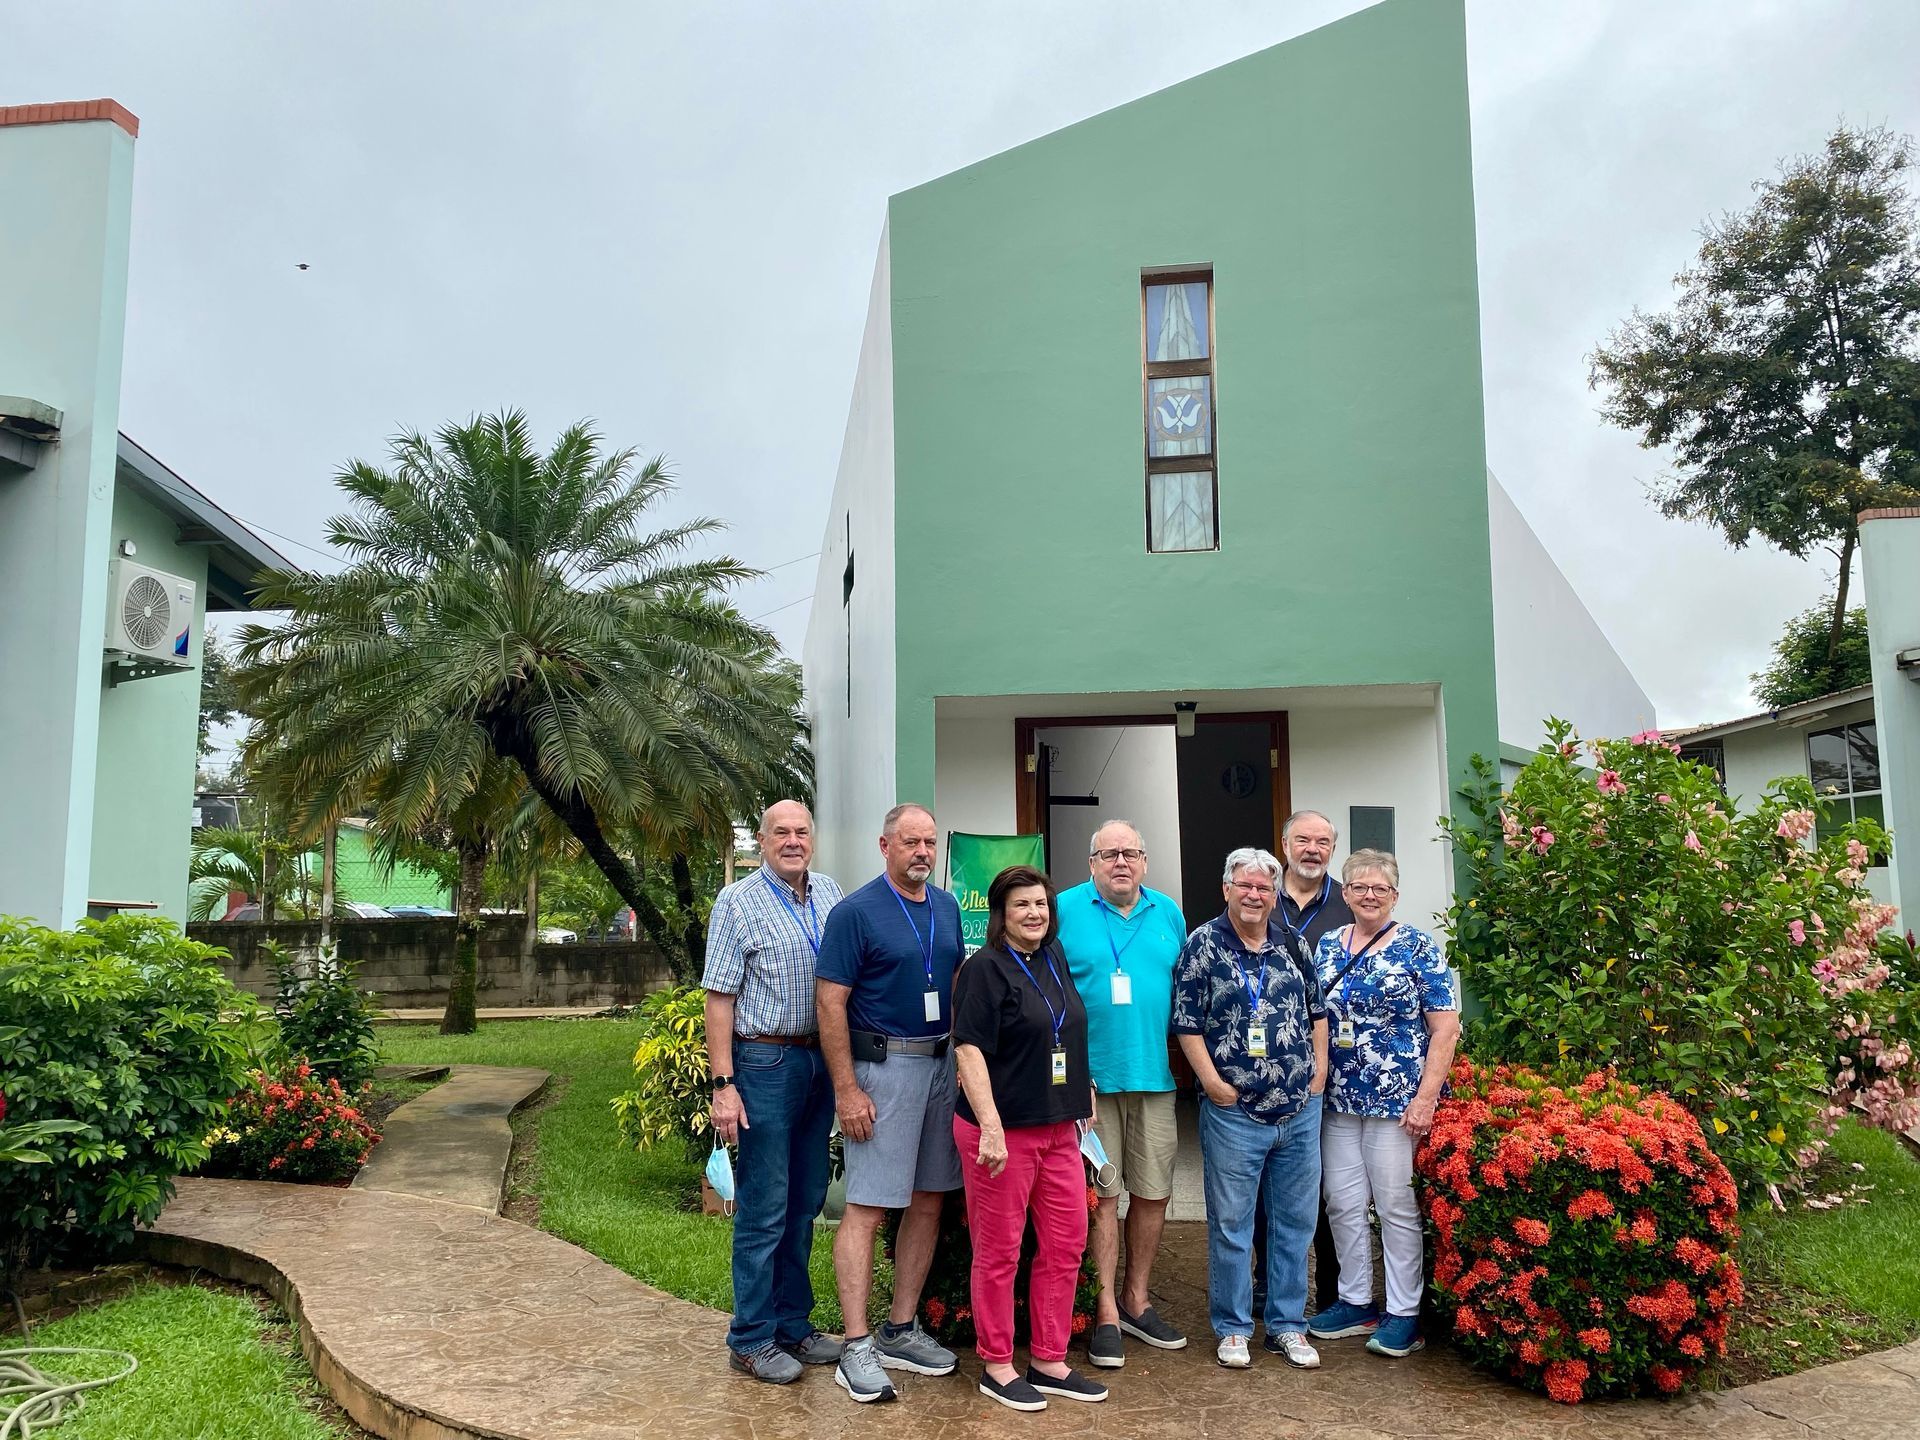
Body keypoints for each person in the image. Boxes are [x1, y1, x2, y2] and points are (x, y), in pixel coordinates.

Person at [816, 803, 967, 1403]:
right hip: (883, 1070)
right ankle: (856, 1345)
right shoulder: (856, 912)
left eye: (930, 842)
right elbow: (830, 1004)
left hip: (940, 1064)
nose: (922, 852)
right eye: (910, 842)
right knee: (869, 1205)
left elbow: (955, 985)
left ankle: (900, 1328)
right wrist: (847, 1089)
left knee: (928, 1199)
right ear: (885, 846)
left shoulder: (949, 907)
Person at [951, 865, 1109, 1412]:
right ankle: (997, 1365)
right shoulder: (984, 970)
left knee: (1066, 1243)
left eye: (1041, 904)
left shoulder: (1054, 957)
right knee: (999, 1253)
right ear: (1001, 913)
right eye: (1022, 905)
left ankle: (1048, 1359)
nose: (1035, 913)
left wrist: (1081, 1086)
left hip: (1058, 1128)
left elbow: (1064, 1025)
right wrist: (990, 1126)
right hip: (1002, 1133)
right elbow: (967, 1049)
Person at [705, 801, 847, 1383]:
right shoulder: (736, 902)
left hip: (820, 1059)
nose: (793, 841)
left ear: (813, 838)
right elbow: (719, 996)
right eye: (780, 833)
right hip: (764, 1060)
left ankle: (793, 1324)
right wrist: (724, 1085)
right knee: (765, 1204)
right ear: (760, 841)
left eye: (802, 831)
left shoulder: (832, 894)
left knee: (807, 1198)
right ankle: (751, 1337)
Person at [1172, 847, 1328, 1372]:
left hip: (1298, 1111)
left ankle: (1288, 1325)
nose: (1254, 895)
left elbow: (1317, 1012)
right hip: (1235, 1112)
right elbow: (1186, 1024)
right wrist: (1213, 1083)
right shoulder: (1203, 944)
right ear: (1226, 889)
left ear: (1275, 894)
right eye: (1245, 886)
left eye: (1264, 888)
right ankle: (1234, 1327)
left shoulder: (1293, 943)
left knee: (1295, 1223)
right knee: (1233, 1225)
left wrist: (1318, 1074)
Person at [1307, 849, 1460, 1359]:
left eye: (1380, 889)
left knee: (1394, 1206)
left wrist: (1427, 1097)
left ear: (1395, 895)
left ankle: (1404, 1311)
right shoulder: (1328, 944)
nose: (1369, 895)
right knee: (1343, 1203)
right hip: (1338, 1099)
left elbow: (1445, 1027)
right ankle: (1355, 1299)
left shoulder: (1418, 946)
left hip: (1397, 1101)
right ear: (1344, 893)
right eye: (1359, 887)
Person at [1054, 819, 1189, 1368]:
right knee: (1104, 1195)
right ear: (1092, 864)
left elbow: (1188, 995)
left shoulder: (1169, 914)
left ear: (1145, 861)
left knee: (1154, 1192)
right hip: (1092, 1083)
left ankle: (1137, 1297)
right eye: (1108, 854)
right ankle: (1106, 1308)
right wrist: (1067, 1073)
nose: (1120, 863)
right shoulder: (1062, 909)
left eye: (1130, 853)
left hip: (1156, 1078)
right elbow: (1049, 993)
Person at [1257, 809, 1356, 1316]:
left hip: (1333, 1065)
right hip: (1268, 1067)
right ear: (1284, 844)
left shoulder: (1349, 902)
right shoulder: (1258, 898)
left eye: (1322, 841)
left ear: (1331, 850)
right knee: (1266, 1177)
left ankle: (1334, 1290)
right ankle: (1264, 1283)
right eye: (1303, 839)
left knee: (1327, 1184)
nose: (1312, 849)